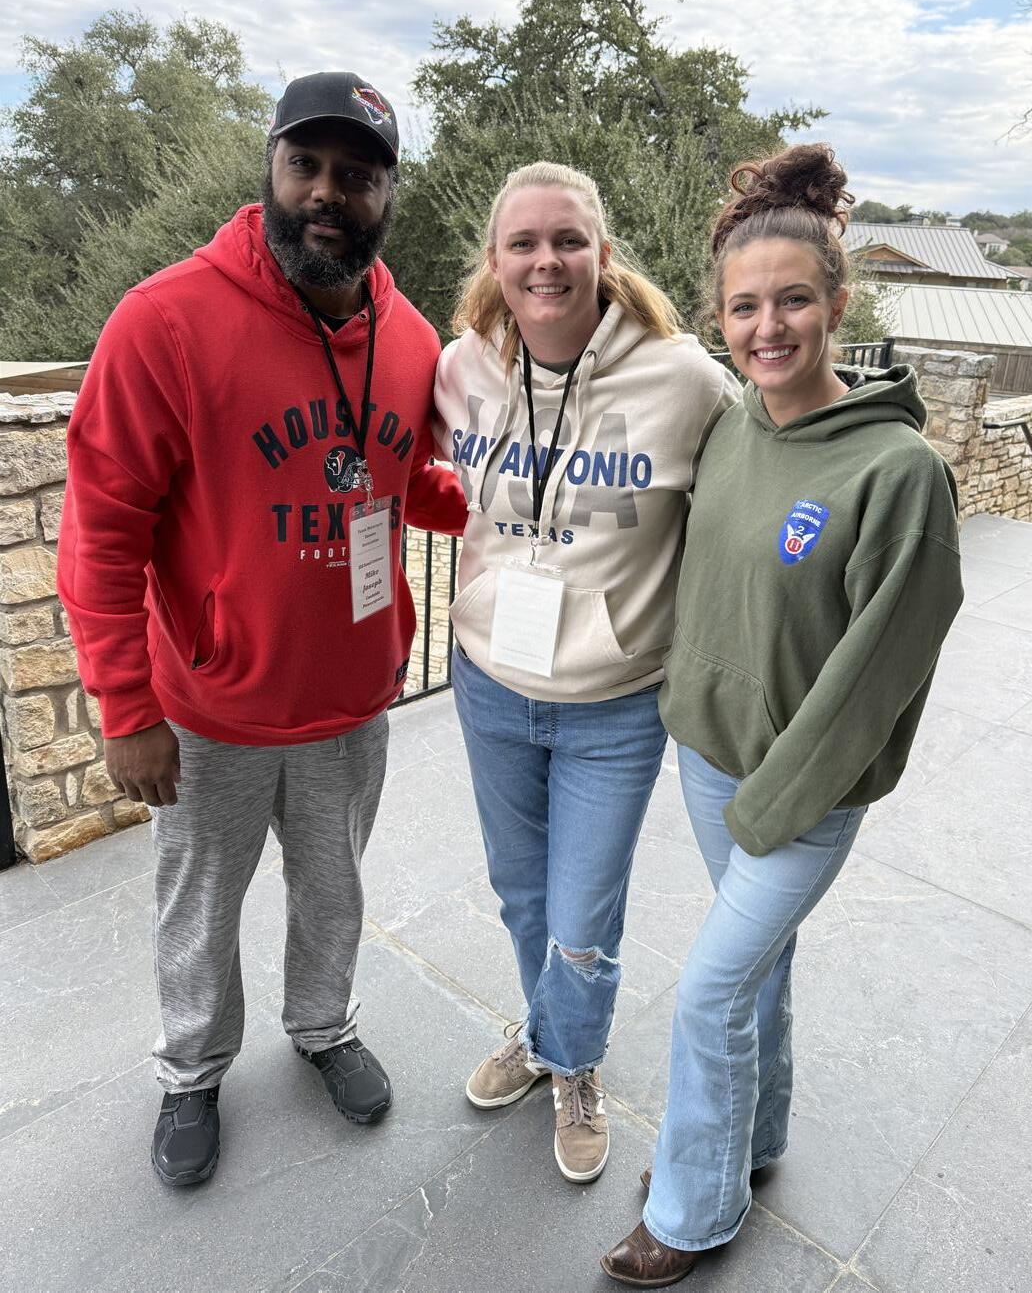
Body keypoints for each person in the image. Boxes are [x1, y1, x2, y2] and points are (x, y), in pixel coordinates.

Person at [57, 72, 466, 1187]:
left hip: (350, 702)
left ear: (388, 194)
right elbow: (101, 533)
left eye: (358, 175)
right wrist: (127, 707)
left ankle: (324, 1026)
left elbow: (402, 480)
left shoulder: (412, 337)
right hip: (210, 712)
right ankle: (192, 1069)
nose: (328, 193)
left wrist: (509, 505)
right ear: (273, 171)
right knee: (199, 907)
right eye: (307, 166)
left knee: (334, 893)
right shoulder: (166, 320)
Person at [601, 144, 964, 1285]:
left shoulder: (897, 472)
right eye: (745, 306)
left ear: (837, 305)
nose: (768, 327)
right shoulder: (734, 426)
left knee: (709, 991)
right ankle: (749, 1146)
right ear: (722, 317)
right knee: (760, 972)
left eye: (793, 301)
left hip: (800, 794)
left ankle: (691, 1210)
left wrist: (776, 804)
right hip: (708, 761)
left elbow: (880, 671)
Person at [432, 161, 740, 1184]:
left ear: (603, 254)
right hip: (489, 685)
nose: (546, 261)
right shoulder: (461, 369)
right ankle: (548, 1037)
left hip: (613, 706)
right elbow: (378, 444)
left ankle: (574, 1063)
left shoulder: (682, 380)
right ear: (495, 260)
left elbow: (765, 475)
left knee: (580, 918)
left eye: (568, 240)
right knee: (520, 896)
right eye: (522, 243)